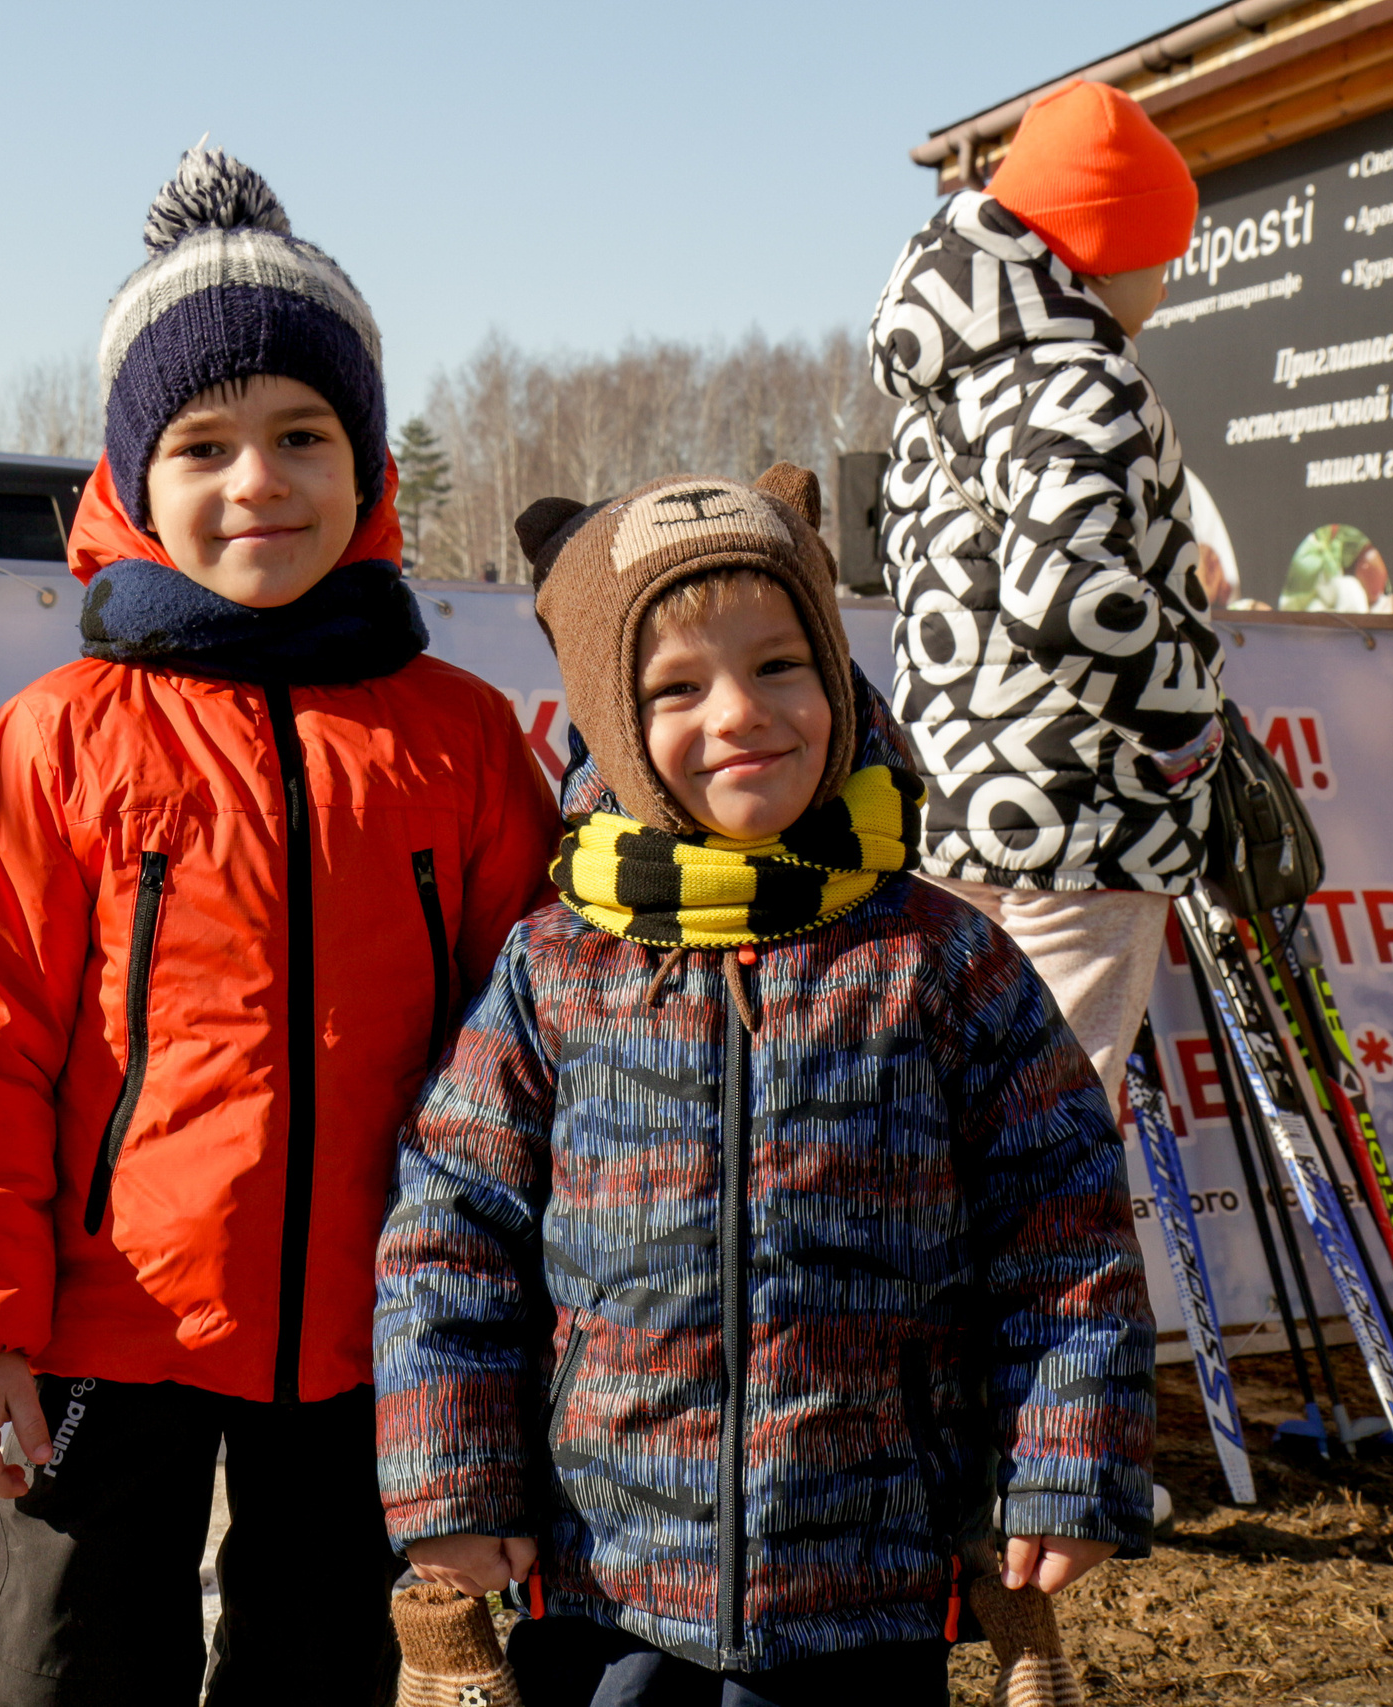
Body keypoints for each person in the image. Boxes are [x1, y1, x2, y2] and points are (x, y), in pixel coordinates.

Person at [0, 145, 559, 1707]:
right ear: (133, 482)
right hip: (106, 1319)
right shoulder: (60, 736)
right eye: (204, 444)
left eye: (303, 435)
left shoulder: (455, 736)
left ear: (368, 466)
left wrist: (512, 1308)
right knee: (69, 1658)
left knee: (319, 1662)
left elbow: (531, 1032)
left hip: (377, 1322)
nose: (258, 479)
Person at [374, 466, 1153, 1706]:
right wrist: (454, 1483)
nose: (738, 713)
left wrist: (1068, 1461)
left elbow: (1063, 1228)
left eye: (779, 665)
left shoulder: (940, 959)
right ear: (611, 720)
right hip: (604, 1583)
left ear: (837, 680)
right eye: (676, 688)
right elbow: (449, 1233)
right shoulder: (555, 969)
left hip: (867, 1589)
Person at [868, 79, 1225, 1106]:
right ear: (1107, 254)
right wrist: (1185, 727)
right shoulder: (1087, 381)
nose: (1167, 285)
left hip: (954, 805)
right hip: (1083, 815)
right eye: (1162, 256)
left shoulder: (942, 395)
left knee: (955, 1124)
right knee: (1056, 1129)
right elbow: (1067, 599)